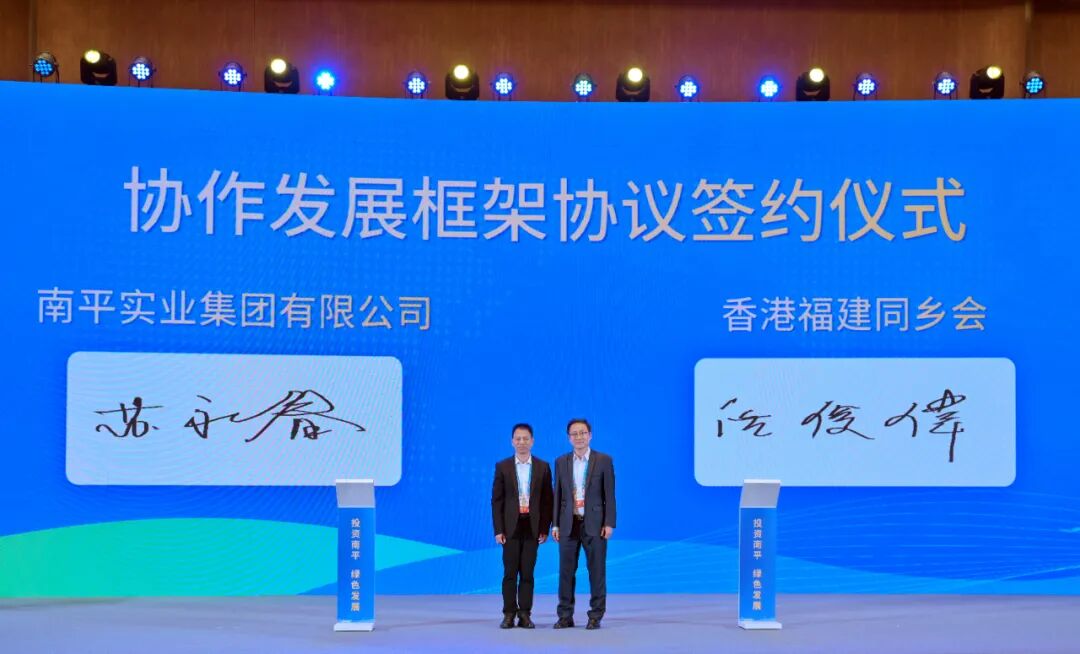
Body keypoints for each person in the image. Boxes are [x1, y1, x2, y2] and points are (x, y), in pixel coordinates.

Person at [552, 418, 616, 630]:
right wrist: (555, 524)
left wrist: (609, 523)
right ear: (569, 438)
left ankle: (595, 615)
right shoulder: (561, 462)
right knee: (565, 572)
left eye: (582, 433)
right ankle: (565, 616)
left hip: (595, 525)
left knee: (596, 571)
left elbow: (609, 495)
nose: (579, 437)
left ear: (590, 435)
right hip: (568, 524)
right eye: (574, 434)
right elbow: (557, 495)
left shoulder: (603, 460)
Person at [491, 423, 553, 629]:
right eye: (518, 439)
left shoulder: (543, 467)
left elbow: (547, 501)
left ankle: (525, 614)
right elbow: (497, 501)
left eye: (525, 438)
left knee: (527, 573)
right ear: (512, 442)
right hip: (510, 528)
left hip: (532, 527)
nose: (522, 442)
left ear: (532, 441)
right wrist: (498, 530)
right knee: (510, 573)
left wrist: (544, 528)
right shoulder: (503, 466)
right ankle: (509, 614)